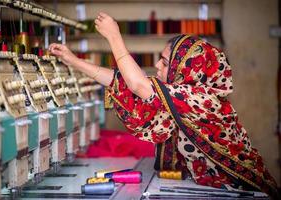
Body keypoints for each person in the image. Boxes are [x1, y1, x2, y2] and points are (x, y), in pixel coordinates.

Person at [49, 12, 279, 198]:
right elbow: (121, 81)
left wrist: (114, 37)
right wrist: (73, 61)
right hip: (218, 189)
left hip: (247, 191)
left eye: (165, 62)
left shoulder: (201, 100)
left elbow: (138, 85)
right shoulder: (179, 98)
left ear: (184, 70)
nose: (158, 66)